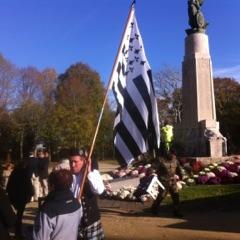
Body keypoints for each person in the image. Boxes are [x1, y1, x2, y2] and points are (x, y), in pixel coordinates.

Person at [31, 169, 82, 240]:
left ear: (52, 186)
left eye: (49, 184)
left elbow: (40, 237)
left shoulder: (48, 210)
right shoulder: (77, 204)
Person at [69, 149, 105, 240]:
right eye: (70, 162)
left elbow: (99, 190)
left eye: (75, 162)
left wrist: (88, 173)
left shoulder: (93, 173)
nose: (72, 165)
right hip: (74, 222)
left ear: (84, 161)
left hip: (90, 222)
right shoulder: (68, 177)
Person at [151, 150, 183, 218]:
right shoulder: (160, 160)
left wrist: (181, 175)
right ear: (169, 154)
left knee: (175, 195)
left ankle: (176, 211)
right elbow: (153, 167)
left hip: (172, 180)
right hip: (163, 181)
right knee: (162, 195)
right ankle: (154, 208)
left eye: (175, 155)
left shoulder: (175, 161)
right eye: (173, 155)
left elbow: (179, 169)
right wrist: (153, 173)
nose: (174, 156)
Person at [6, 160, 34, 239]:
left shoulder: (13, 173)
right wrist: (30, 194)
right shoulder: (25, 174)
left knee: (18, 215)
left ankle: (17, 232)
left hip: (14, 197)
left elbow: (8, 186)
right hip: (22, 197)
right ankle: (18, 233)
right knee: (19, 215)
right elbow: (29, 186)